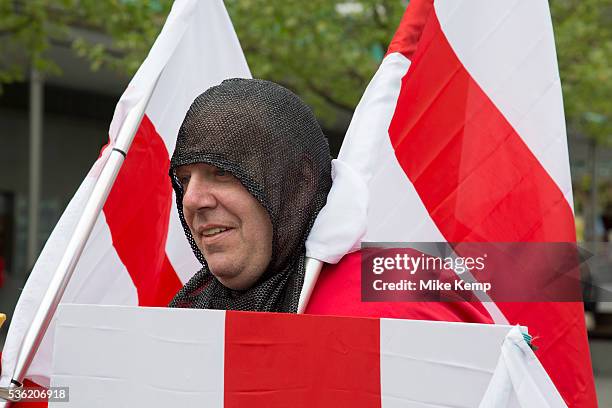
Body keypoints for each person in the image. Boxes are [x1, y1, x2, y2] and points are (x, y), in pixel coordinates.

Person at [168, 78, 332, 313]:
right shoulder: (183, 312)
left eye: (222, 171)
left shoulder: (388, 277)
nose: (191, 200)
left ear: (300, 181)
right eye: (185, 180)